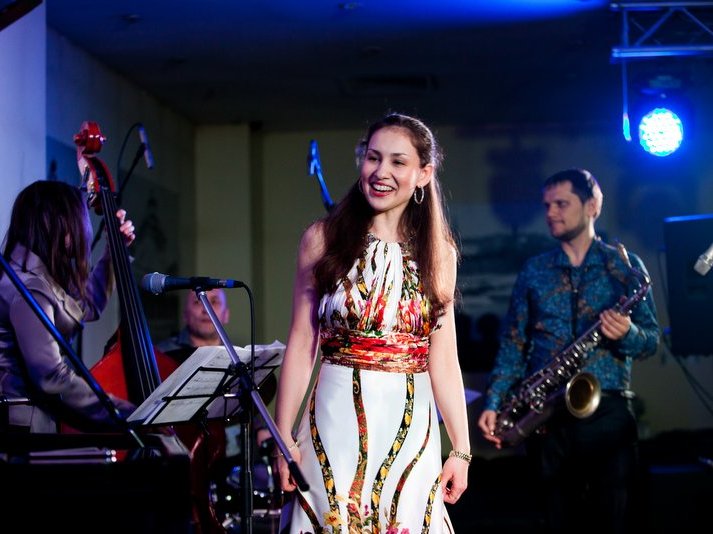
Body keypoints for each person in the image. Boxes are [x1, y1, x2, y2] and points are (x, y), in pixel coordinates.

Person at [274, 113, 471, 532]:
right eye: (373, 157)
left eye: (398, 162)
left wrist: (461, 449)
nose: (381, 172)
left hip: (410, 430)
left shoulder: (440, 255)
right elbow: (302, 341)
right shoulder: (322, 240)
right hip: (334, 424)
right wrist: (283, 436)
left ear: (423, 174)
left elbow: (444, 359)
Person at [477, 168, 660, 533]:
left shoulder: (624, 268)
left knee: (616, 522)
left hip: (608, 412)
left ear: (592, 206)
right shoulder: (534, 271)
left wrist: (628, 333)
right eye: (547, 205)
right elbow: (514, 342)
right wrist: (495, 402)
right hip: (548, 413)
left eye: (561, 204)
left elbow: (651, 340)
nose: (551, 213)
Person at [0, 180, 136, 434]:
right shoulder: (30, 287)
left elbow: (86, 306)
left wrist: (113, 252)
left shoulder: (36, 276)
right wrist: (128, 415)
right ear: (58, 224)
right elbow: (52, 377)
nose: (84, 230)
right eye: (79, 220)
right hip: (23, 432)